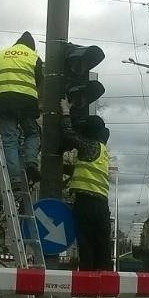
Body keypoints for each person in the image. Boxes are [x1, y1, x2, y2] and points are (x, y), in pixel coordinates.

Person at [0, 31, 44, 190]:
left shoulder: (0, 54)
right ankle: (31, 162)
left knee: (9, 139)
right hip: (26, 102)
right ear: (32, 47)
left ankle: (14, 179)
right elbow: (39, 80)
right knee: (32, 133)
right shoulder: (33, 56)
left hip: (4, 101)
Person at [60, 99, 113, 271]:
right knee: (102, 248)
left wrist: (66, 112)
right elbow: (83, 170)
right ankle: (102, 288)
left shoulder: (90, 146)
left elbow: (69, 134)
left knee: (86, 247)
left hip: (86, 205)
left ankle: (87, 287)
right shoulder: (102, 150)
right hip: (102, 206)